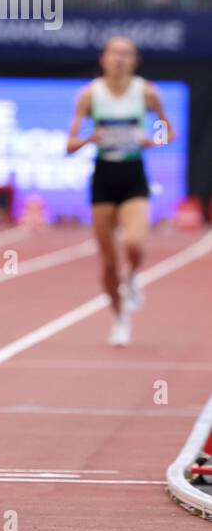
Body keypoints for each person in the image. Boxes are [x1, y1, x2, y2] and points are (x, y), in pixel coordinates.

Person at [66, 35, 174, 347]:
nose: (120, 59)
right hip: (103, 176)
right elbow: (69, 144)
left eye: (126, 54)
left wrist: (150, 139)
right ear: (104, 58)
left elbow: (167, 130)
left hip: (133, 173)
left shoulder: (147, 92)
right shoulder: (90, 95)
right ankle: (119, 317)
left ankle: (134, 275)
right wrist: (90, 138)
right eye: (115, 53)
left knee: (135, 243)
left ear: (135, 59)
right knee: (108, 260)